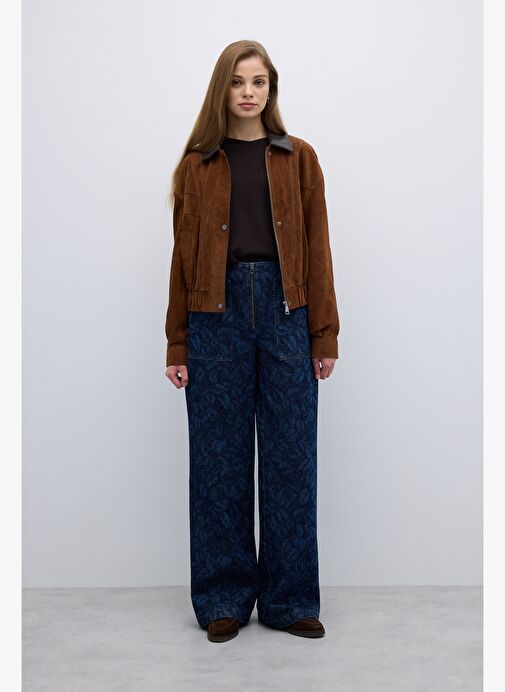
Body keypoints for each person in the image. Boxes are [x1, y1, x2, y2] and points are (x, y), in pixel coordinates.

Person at [164, 40, 340, 643]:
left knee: (293, 458)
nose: (248, 92)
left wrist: (324, 334)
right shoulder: (198, 165)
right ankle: (223, 597)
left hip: (288, 312)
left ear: (271, 88)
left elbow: (318, 248)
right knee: (219, 460)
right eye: (238, 82)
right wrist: (177, 344)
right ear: (223, 89)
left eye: (258, 81)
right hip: (214, 313)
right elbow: (181, 260)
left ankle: (289, 600)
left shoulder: (300, 158)